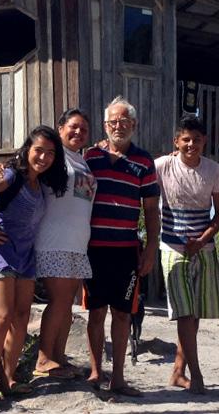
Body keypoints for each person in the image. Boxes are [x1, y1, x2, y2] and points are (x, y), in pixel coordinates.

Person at [0, 126, 67, 405]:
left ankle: (8, 378)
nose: (43, 157)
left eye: (50, 153)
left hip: (25, 256)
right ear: (27, 150)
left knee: (20, 318)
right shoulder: (9, 175)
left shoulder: (40, 183)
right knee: (1, 315)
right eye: (38, 150)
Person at [83, 96, 160, 397]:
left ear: (134, 125)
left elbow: (151, 211)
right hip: (93, 249)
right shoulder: (90, 157)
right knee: (96, 312)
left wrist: (151, 248)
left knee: (123, 314)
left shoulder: (144, 161)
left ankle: (118, 378)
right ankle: (93, 372)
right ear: (105, 125)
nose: (119, 126)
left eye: (124, 121)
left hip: (127, 251)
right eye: (113, 121)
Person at [155, 116, 219, 394]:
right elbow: (140, 178)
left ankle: (177, 372)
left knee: (194, 315)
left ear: (204, 142)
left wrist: (203, 239)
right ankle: (196, 374)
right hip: (172, 249)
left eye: (196, 139)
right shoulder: (162, 166)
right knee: (184, 313)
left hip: (204, 250)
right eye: (186, 139)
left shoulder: (213, 169)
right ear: (176, 141)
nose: (191, 144)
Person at [31, 109, 97, 379]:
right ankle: (44, 358)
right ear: (60, 128)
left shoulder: (83, 161)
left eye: (83, 129)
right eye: (73, 127)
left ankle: (59, 358)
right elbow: (24, 167)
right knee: (58, 301)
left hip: (77, 243)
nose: (78, 132)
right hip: (53, 240)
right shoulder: (53, 156)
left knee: (66, 305)